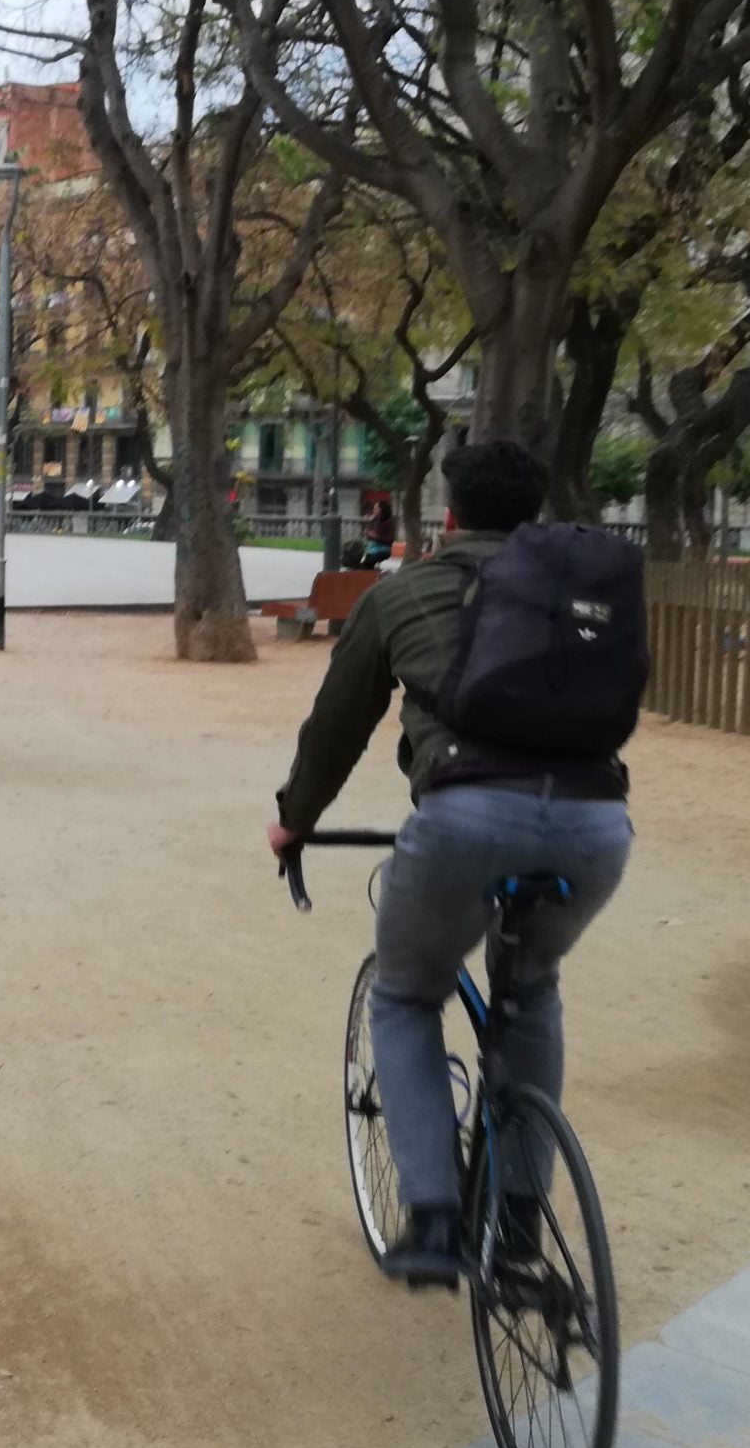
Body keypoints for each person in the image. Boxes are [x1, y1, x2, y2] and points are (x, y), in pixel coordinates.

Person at [267, 440, 633, 1286]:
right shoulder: (578, 597)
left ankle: (432, 1220)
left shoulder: (404, 593)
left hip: (466, 814)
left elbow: (336, 730)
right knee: (531, 986)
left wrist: (295, 822)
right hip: (597, 822)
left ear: (451, 515)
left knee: (404, 995)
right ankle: (517, 1228)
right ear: (534, 515)